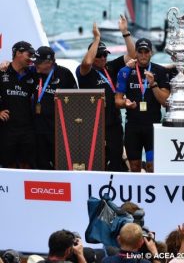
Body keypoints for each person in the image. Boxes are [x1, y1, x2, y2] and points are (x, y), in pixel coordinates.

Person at [76, 17, 135, 172]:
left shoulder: (110, 67)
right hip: (93, 124)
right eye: (99, 55)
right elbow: (87, 62)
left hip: (114, 122)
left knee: (116, 159)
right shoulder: (85, 72)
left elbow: (133, 55)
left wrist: (125, 32)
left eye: (105, 55)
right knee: (96, 161)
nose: (103, 58)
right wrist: (96, 39)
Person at [115, 38, 170, 173]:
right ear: (136, 53)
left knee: (152, 167)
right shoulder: (125, 71)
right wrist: (126, 104)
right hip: (133, 127)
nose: (143, 55)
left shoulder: (159, 71)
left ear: (151, 53)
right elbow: (117, 101)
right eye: (140, 52)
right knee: (134, 167)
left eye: (146, 52)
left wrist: (153, 85)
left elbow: (165, 102)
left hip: (153, 127)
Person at [32, 46, 77, 169]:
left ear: (49, 63)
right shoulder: (33, 72)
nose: (35, 65)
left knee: (61, 165)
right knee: (41, 165)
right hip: (38, 130)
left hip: (58, 131)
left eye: (38, 62)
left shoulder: (65, 74)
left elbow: (75, 100)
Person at [0, 41, 36, 169]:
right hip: (7, 128)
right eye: (29, 54)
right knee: (8, 165)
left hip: (27, 128)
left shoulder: (32, 74)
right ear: (18, 53)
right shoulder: (2, 71)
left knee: (27, 165)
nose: (31, 58)